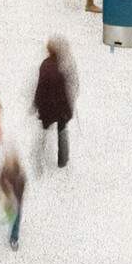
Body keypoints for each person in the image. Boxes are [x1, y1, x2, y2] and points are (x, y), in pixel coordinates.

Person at [31, 36, 76, 171]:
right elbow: (71, 85)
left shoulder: (45, 65)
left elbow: (41, 87)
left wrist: (36, 104)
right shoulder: (64, 65)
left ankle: (38, 159)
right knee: (62, 131)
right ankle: (63, 160)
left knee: (44, 131)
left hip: (48, 107)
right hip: (62, 106)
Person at [0, 149, 26, 249]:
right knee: (11, 215)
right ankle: (10, 221)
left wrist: (17, 200)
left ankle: (14, 238)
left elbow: (22, 189)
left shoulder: (20, 176)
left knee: (16, 218)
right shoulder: (2, 174)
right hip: (8, 200)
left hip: (16, 201)